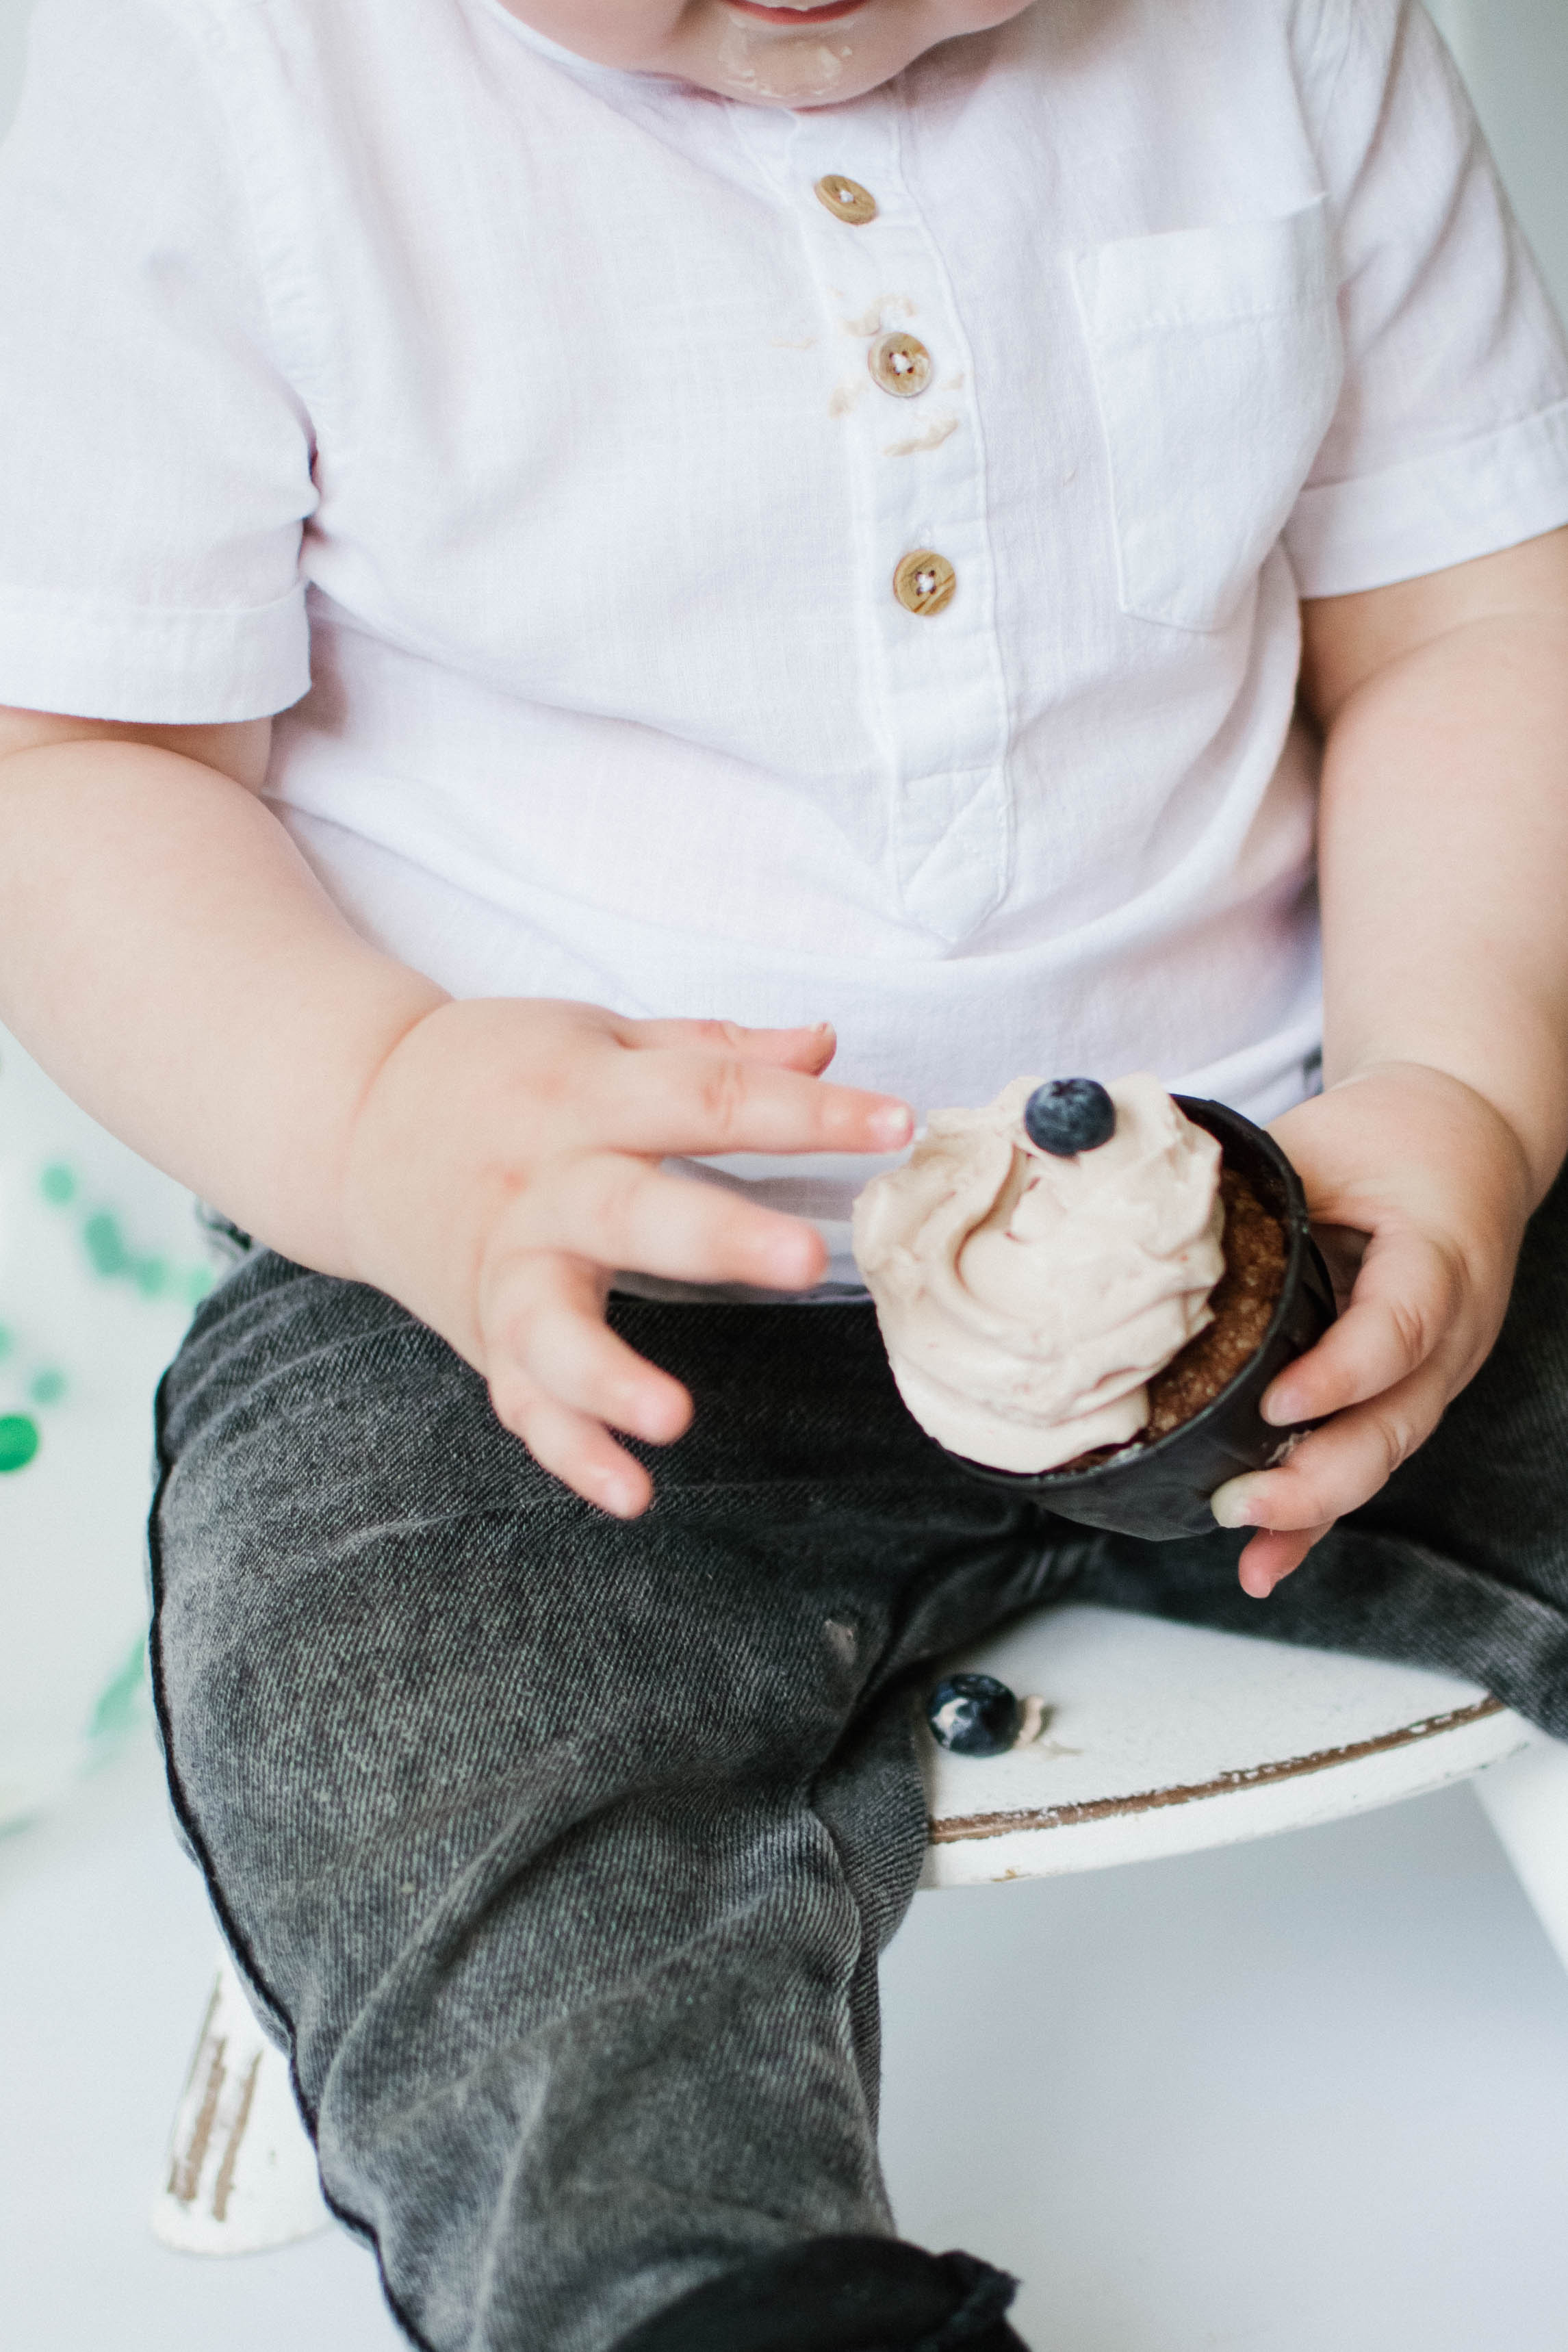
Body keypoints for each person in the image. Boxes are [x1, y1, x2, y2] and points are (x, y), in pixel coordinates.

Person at [2, 0, 1567, 2343]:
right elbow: (79, 758)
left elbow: (1461, 622)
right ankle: (714, 2294)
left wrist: (1463, 1085)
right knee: (412, 1713)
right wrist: (375, 1111)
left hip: (1297, 1189)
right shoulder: (221, 74)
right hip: (549, 1303)